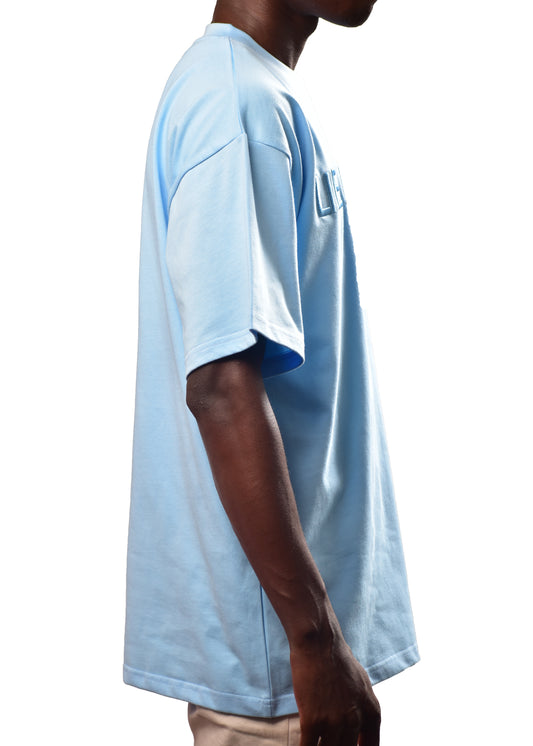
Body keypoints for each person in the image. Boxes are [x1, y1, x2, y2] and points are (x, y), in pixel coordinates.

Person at [123, 1, 420, 744]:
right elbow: (221, 387)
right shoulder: (236, 103)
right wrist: (313, 638)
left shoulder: (255, 90)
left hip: (291, 661)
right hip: (282, 675)